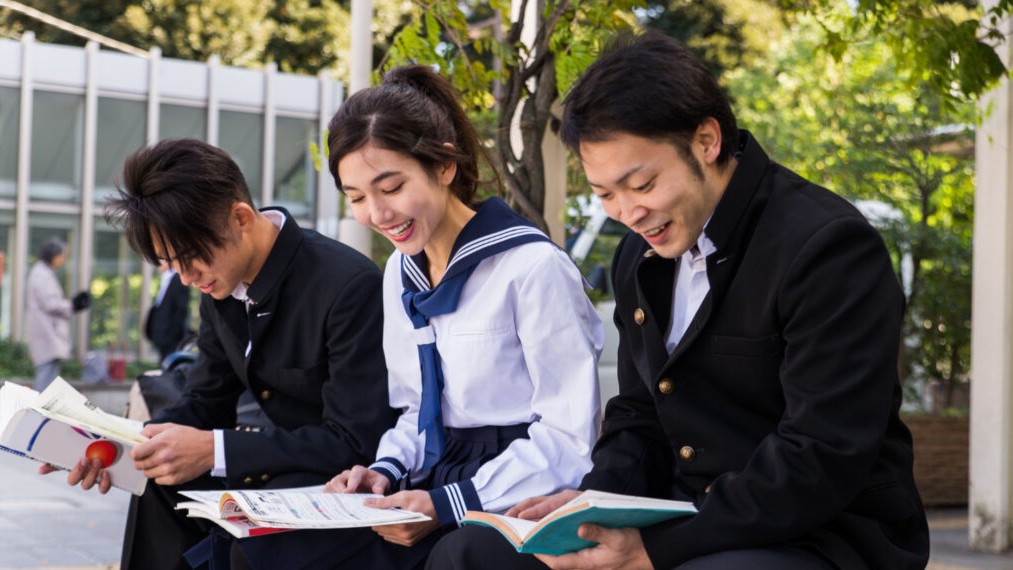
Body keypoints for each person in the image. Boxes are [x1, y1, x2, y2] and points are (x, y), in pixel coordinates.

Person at [427, 31, 930, 570]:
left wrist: (654, 549)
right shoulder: (639, 257)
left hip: (820, 533)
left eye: (640, 184)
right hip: (674, 513)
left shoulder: (826, 246)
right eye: (604, 195)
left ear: (706, 142)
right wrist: (591, 508)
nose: (627, 212)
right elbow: (640, 414)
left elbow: (820, 455)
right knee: (471, 554)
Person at [46, 137, 397, 570]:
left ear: (241, 217)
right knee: (158, 480)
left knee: (248, 543)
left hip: (342, 480)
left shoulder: (346, 285)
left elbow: (354, 442)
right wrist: (112, 447)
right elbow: (205, 400)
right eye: (171, 264)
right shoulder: (220, 286)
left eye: (191, 259)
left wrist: (214, 449)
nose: (188, 278)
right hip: (278, 466)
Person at [322, 64, 604, 568]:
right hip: (433, 476)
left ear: (445, 166)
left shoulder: (532, 266)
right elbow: (416, 409)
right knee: (288, 544)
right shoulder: (399, 274)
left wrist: (451, 503)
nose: (377, 214)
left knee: (457, 557)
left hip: (521, 484)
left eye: (390, 187)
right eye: (357, 198)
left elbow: (568, 436)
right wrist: (384, 470)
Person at [26, 237, 90, 391]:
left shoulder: (45, 273)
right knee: (45, 378)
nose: (63, 259)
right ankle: (37, 412)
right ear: (52, 255)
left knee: (50, 377)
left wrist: (72, 305)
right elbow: (50, 304)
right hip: (46, 334)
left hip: (50, 333)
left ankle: (44, 412)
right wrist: (72, 304)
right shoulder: (41, 274)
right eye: (62, 255)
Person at [145, 259, 191, 362]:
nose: (157, 264)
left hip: (170, 337)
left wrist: (172, 333)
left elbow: (181, 309)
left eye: (160, 260)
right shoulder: (165, 279)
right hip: (162, 336)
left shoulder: (178, 279)